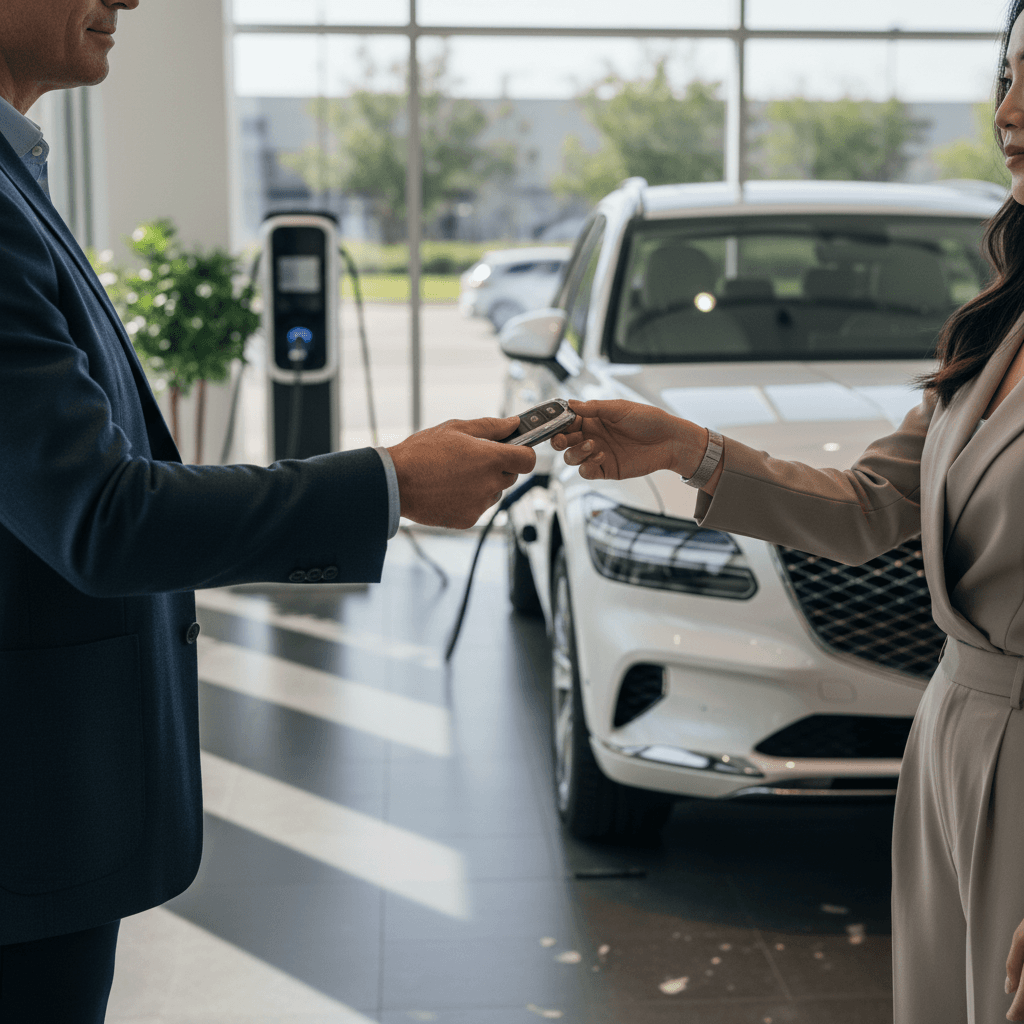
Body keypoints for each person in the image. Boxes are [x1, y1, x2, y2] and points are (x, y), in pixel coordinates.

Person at [0, 1, 535, 1020]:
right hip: (28, 814)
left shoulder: (18, 174)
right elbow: (101, 517)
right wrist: (391, 483)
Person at [552, 4, 1024, 1020]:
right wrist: (684, 449)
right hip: (949, 740)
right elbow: (870, 508)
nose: (1009, 114)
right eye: (1005, 80)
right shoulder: (999, 326)